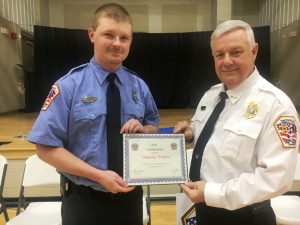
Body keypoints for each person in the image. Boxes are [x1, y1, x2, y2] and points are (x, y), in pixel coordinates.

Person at [28, 3, 159, 225]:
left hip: (130, 200)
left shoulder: (139, 86)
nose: (117, 43)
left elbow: (153, 126)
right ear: (92, 35)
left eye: (124, 37)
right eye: (109, 34)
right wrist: (98, 175)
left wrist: (143, 129)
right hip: (84, 202)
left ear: (130, 41)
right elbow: (45, 147)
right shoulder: (68, 86)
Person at [174, 20, 299, 225]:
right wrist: (190, 133)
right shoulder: (211, 96)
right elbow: (208, 134)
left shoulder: (277, 106)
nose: (227, 61)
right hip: (201, 209)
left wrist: (212, 193)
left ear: (254, 51)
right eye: (219, 55)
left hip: (244, 216)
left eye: (236, 52)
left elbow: (276, 179)